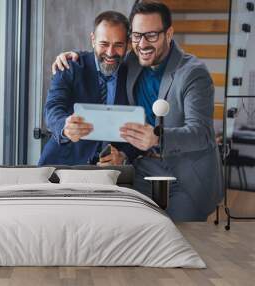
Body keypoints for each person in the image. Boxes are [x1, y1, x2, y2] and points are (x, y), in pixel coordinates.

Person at [51, 1, 223, 221]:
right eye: (137, 35)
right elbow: (105, 52)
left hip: (185, 176)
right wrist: (70, 57)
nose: (142, 44)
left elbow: (203, 134)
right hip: (141, 168)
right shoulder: (132, 60)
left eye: (151, 35)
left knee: (178, 237)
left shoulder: (193, 73)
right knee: (129, 227)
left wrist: (157, 138)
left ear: (169, 34)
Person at [38, 11, 139, 166]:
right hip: (62, 164)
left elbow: (140, 127)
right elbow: (52, 109)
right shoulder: (69, 66)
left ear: (128, 44)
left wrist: (124, 156)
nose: (110, 53)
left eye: (118, 45)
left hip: (111, 172)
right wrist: (65, 126)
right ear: (93, 40)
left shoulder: (135, 74)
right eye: (104, 44)